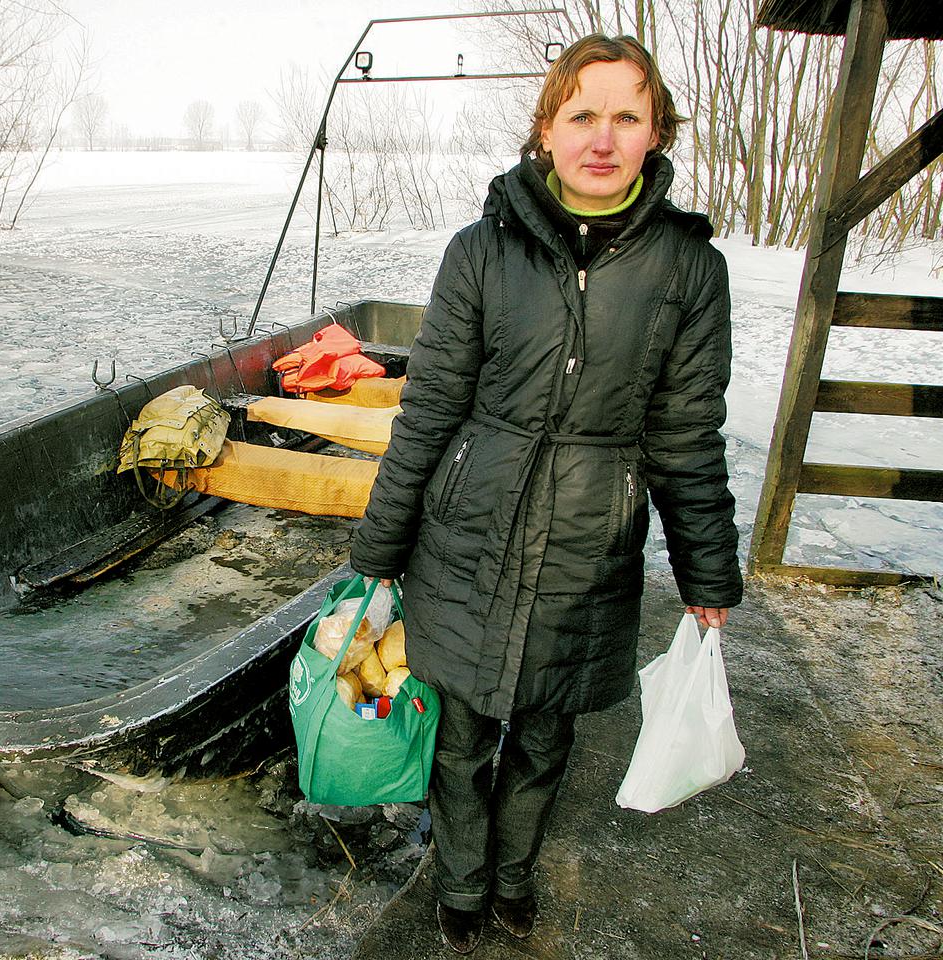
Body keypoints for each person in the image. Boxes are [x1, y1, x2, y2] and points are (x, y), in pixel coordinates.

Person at [349, 34, 743, 954]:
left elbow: (687, 436)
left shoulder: (690, 271)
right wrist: (377, 556)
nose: (602, 139)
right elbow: (431, 410)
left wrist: (707, 576)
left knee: (543, 737)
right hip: (468, 537)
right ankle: (459, 883)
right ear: (546, 130)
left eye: (626, 117)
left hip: (586, 548)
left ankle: (514, 879)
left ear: (656, 134)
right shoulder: (478, 253)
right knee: (459, 734)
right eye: (582, 116)